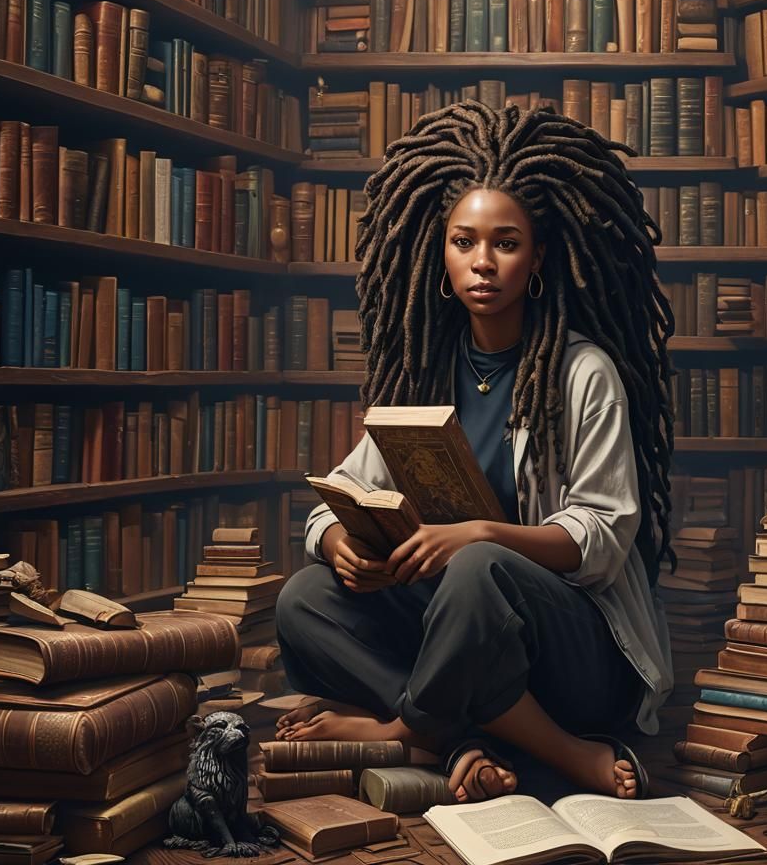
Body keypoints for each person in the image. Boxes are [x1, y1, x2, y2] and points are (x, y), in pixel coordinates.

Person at [275, 99, 676, 804]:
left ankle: (411, 729)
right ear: (441, 252)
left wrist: (482, 533)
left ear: (539, 256)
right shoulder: (425, 374)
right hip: (465, 636)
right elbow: (344, 487)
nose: (482, 262)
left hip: (572, 651)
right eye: (464, 242)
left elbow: (605, 539)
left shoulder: (583, 373)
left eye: (506, 243)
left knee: (477, 569)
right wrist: (335, 536)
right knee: (303, 597)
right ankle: (458, 740)